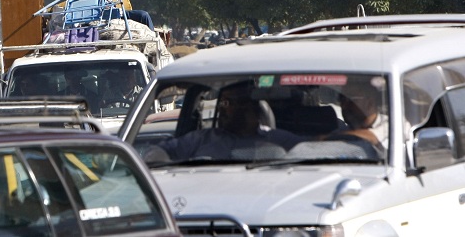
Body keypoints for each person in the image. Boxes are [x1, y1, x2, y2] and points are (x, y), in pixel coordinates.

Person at [147, 81, 303, 162]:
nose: (221, 109)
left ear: (250, 107)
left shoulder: (280, 140)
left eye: (228, 103)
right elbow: (162, 151)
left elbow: (314, 151)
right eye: (221, 103)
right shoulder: (201, 140)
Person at [327, 80, 388, 150]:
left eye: (350, 99)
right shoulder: (343, 129)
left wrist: (327, 138)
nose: (344, 106)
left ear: (370, 102)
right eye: (342, 99)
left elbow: (373, 137)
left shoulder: (392, 123)